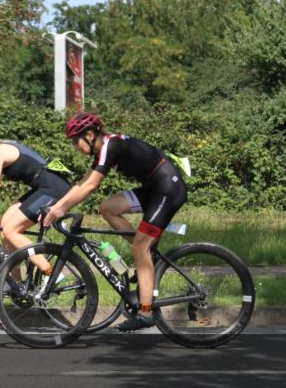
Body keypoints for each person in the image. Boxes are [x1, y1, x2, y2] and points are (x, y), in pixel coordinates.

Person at [42, 112, 188, 332]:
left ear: (90, 135)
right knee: (108, 208)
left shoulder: (111, 146)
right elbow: (83, 182)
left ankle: (146, 312)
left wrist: (63, 208)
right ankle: (145, 258)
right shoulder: (106, 149)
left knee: (140, 247)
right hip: (153, 189)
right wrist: (58, 206)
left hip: (167, 189)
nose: (74, 146)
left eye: (75, 141)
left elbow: (91, 186)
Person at [0, 127, 72, 280]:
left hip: (53, 188)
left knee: (11, 230)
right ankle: (16, 285)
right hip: (44, 187)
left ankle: (51, 274)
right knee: (4, 225)